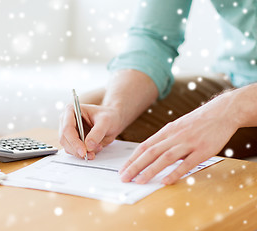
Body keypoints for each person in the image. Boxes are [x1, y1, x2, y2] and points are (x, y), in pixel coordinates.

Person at [59, 0, 257, 185]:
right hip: (239, 78)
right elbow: (153, 36)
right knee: (90, 121)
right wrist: (116, 109)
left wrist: (234, 109)